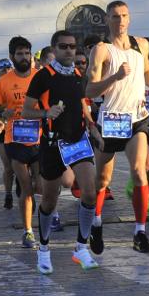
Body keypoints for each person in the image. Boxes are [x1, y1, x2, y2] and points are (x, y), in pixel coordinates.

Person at [86, 0, 149, 254]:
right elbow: (90, 89)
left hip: (137, 118)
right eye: (115, 17)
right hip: (110, 120)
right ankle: (96, 221)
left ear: (129, 18)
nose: (120, 21)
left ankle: (140, 232)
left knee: (139, 171)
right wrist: (116, 77)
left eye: (124, 16)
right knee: (102, 179)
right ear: (107, 20)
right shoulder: (101, 50)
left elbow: (147, 74)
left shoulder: (140, 45)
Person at [22, 29, 100, 272]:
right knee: (49, 199)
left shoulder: (79, 74)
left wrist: (93, 127)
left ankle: (81, 248)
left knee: (89, 192)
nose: (69, 50)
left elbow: (81, 104)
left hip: (77, 140)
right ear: (54, 49)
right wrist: (46, 113)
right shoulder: (44, 76)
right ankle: (43, 249)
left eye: (72, 46)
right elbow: (26, 111)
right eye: (64, 47)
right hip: (53, 142)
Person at [0, 36, 40, 248]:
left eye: (27, 53)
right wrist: (2, 112)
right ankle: (28, 231)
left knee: (42, 185)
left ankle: (43, 211)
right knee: (26, 186)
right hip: (14, 138)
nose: (24, 57)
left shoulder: (40, 77)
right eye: (19, 54)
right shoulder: (4, 82)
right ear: (12, 57)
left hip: (39, 138)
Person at [0, 57, 16, 208]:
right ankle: (8, 194)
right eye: (2, 68)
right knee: (8, 166)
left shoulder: (19, 80)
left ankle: (22, 186)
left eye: (8, 67)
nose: (5, 70)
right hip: (2, 129)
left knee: (20, 164)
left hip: (18, 127)